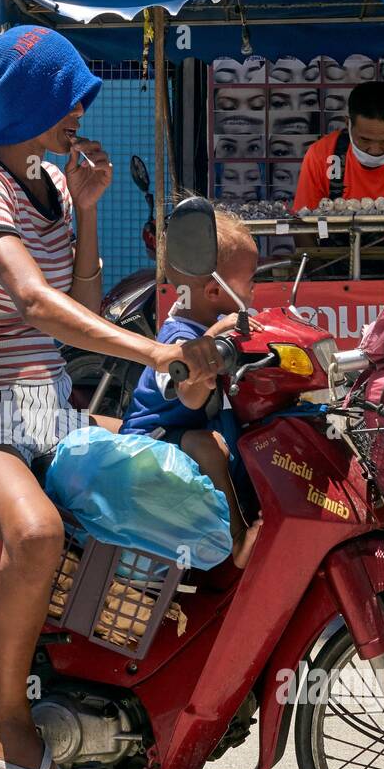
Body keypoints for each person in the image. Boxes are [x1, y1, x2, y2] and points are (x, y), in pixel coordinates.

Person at [0, 26, 219, 769]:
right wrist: (152, 353)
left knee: (160, 492)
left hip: (48, 408)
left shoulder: (54, 183)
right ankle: (9, 712)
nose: (81, 113)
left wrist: (87, 211)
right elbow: (30, 300)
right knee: (39, 537)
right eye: (68, 99)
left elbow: (79, 305)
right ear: (29, 104)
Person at [119, 209, 260, 569]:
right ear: (214, 290)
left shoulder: (211, 324)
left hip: (187, 430)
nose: (254, 289)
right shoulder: (180, 338)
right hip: (153, 440)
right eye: (251, 281)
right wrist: (207, 349)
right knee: (208, 446)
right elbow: (187, 393)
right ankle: (237, 539)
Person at [293, 80, 384, 218]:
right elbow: (303, 220)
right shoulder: (320, 155)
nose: (375, 150)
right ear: (348, 123)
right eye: (365, 139)